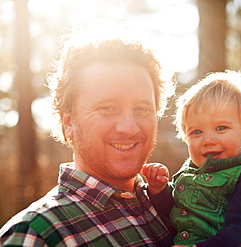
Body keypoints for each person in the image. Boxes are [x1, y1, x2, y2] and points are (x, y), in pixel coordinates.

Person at [0, 20, 176, 246]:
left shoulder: (176, 206)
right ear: (69, 122)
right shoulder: (35, 235)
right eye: (107, 108)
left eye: (142, 109)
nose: (129, 127)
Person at [142, 70, 241, 247]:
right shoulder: (189, 172)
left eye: (221, 128)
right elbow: (177, 211)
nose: (208, 140)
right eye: (196, 132)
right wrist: (159, 190)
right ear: (186, 138)